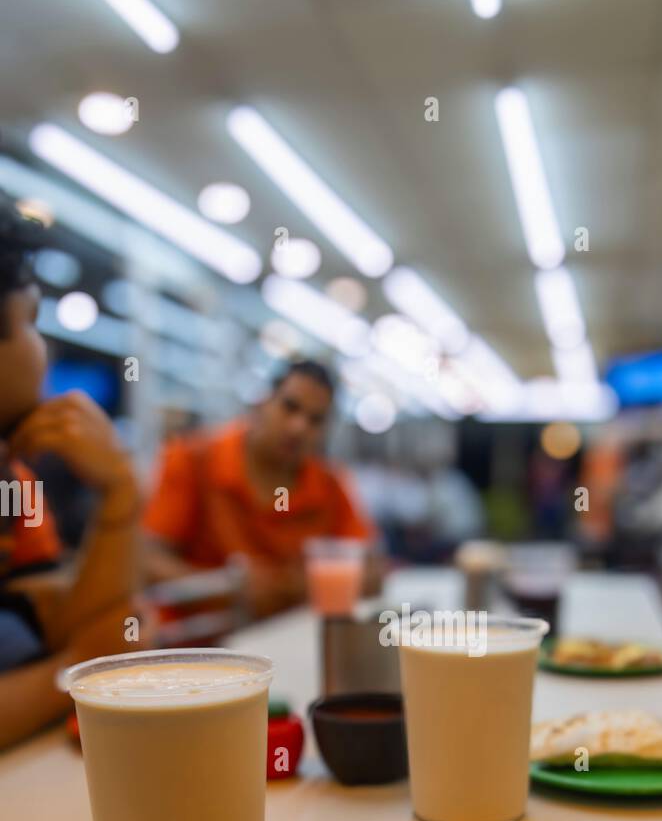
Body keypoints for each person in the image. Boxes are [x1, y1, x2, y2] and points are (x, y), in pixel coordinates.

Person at [0, 194, 140, 749]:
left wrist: (121, 490)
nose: (47, 350)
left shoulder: (13, 482)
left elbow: (65, 622)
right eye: (31, 321)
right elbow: (88, 646)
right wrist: (80, 667)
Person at [142, 361, 379, 617]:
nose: (298, 427)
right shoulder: (192, 461)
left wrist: (298, 586)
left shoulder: (329, 486)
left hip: (282, 641)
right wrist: (226, 588)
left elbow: (373, 571)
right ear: (262, 402)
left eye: (315, 420)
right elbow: (146, 561)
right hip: (197, 645)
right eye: (290, 407)